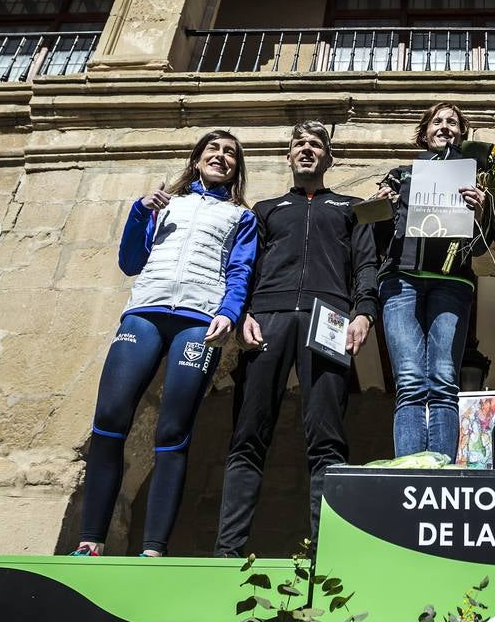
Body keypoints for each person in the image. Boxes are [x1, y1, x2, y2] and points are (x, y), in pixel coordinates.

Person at [70, 130, 257, 558]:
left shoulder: (240, 215)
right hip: (145, 312)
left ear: (237, 169)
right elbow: (130, 262)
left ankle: (154, 549)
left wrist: (229, 312)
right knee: (110, 419)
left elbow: (242, 269)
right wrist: (139, 212)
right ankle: (91, 540)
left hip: (199, 320)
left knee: (173, 429)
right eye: (214, 150)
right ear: (196, 160)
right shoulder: (163, 203)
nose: (222, 157)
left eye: (231, 154)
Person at [215, 121, 379, 557]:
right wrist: (243, 312)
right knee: (249, 432)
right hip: (267, 318)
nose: (307, 150)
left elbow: (366, 265)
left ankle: (322, 553)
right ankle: (228, 552)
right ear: (288, 156)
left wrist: (363, 312)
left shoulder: (351, 207)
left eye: (315, 145)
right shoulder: (265, 209)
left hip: (328, 318)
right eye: (299, 144)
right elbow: (244, 265)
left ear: (329, 157)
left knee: (326, 436)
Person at [374, 103, 489, 459]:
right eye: (437, 121)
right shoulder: (401, 174)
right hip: (401, 281)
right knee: (409, 381)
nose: (444, 127)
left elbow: (484, 245)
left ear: (462, 133)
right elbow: (378, 237)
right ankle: (410, 465)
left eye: (452, 122)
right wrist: (381, 206)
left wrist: (482, 211)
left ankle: (440, 468)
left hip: (453, 283)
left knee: (443, 382)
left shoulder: (477, 179)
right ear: (424, 132)